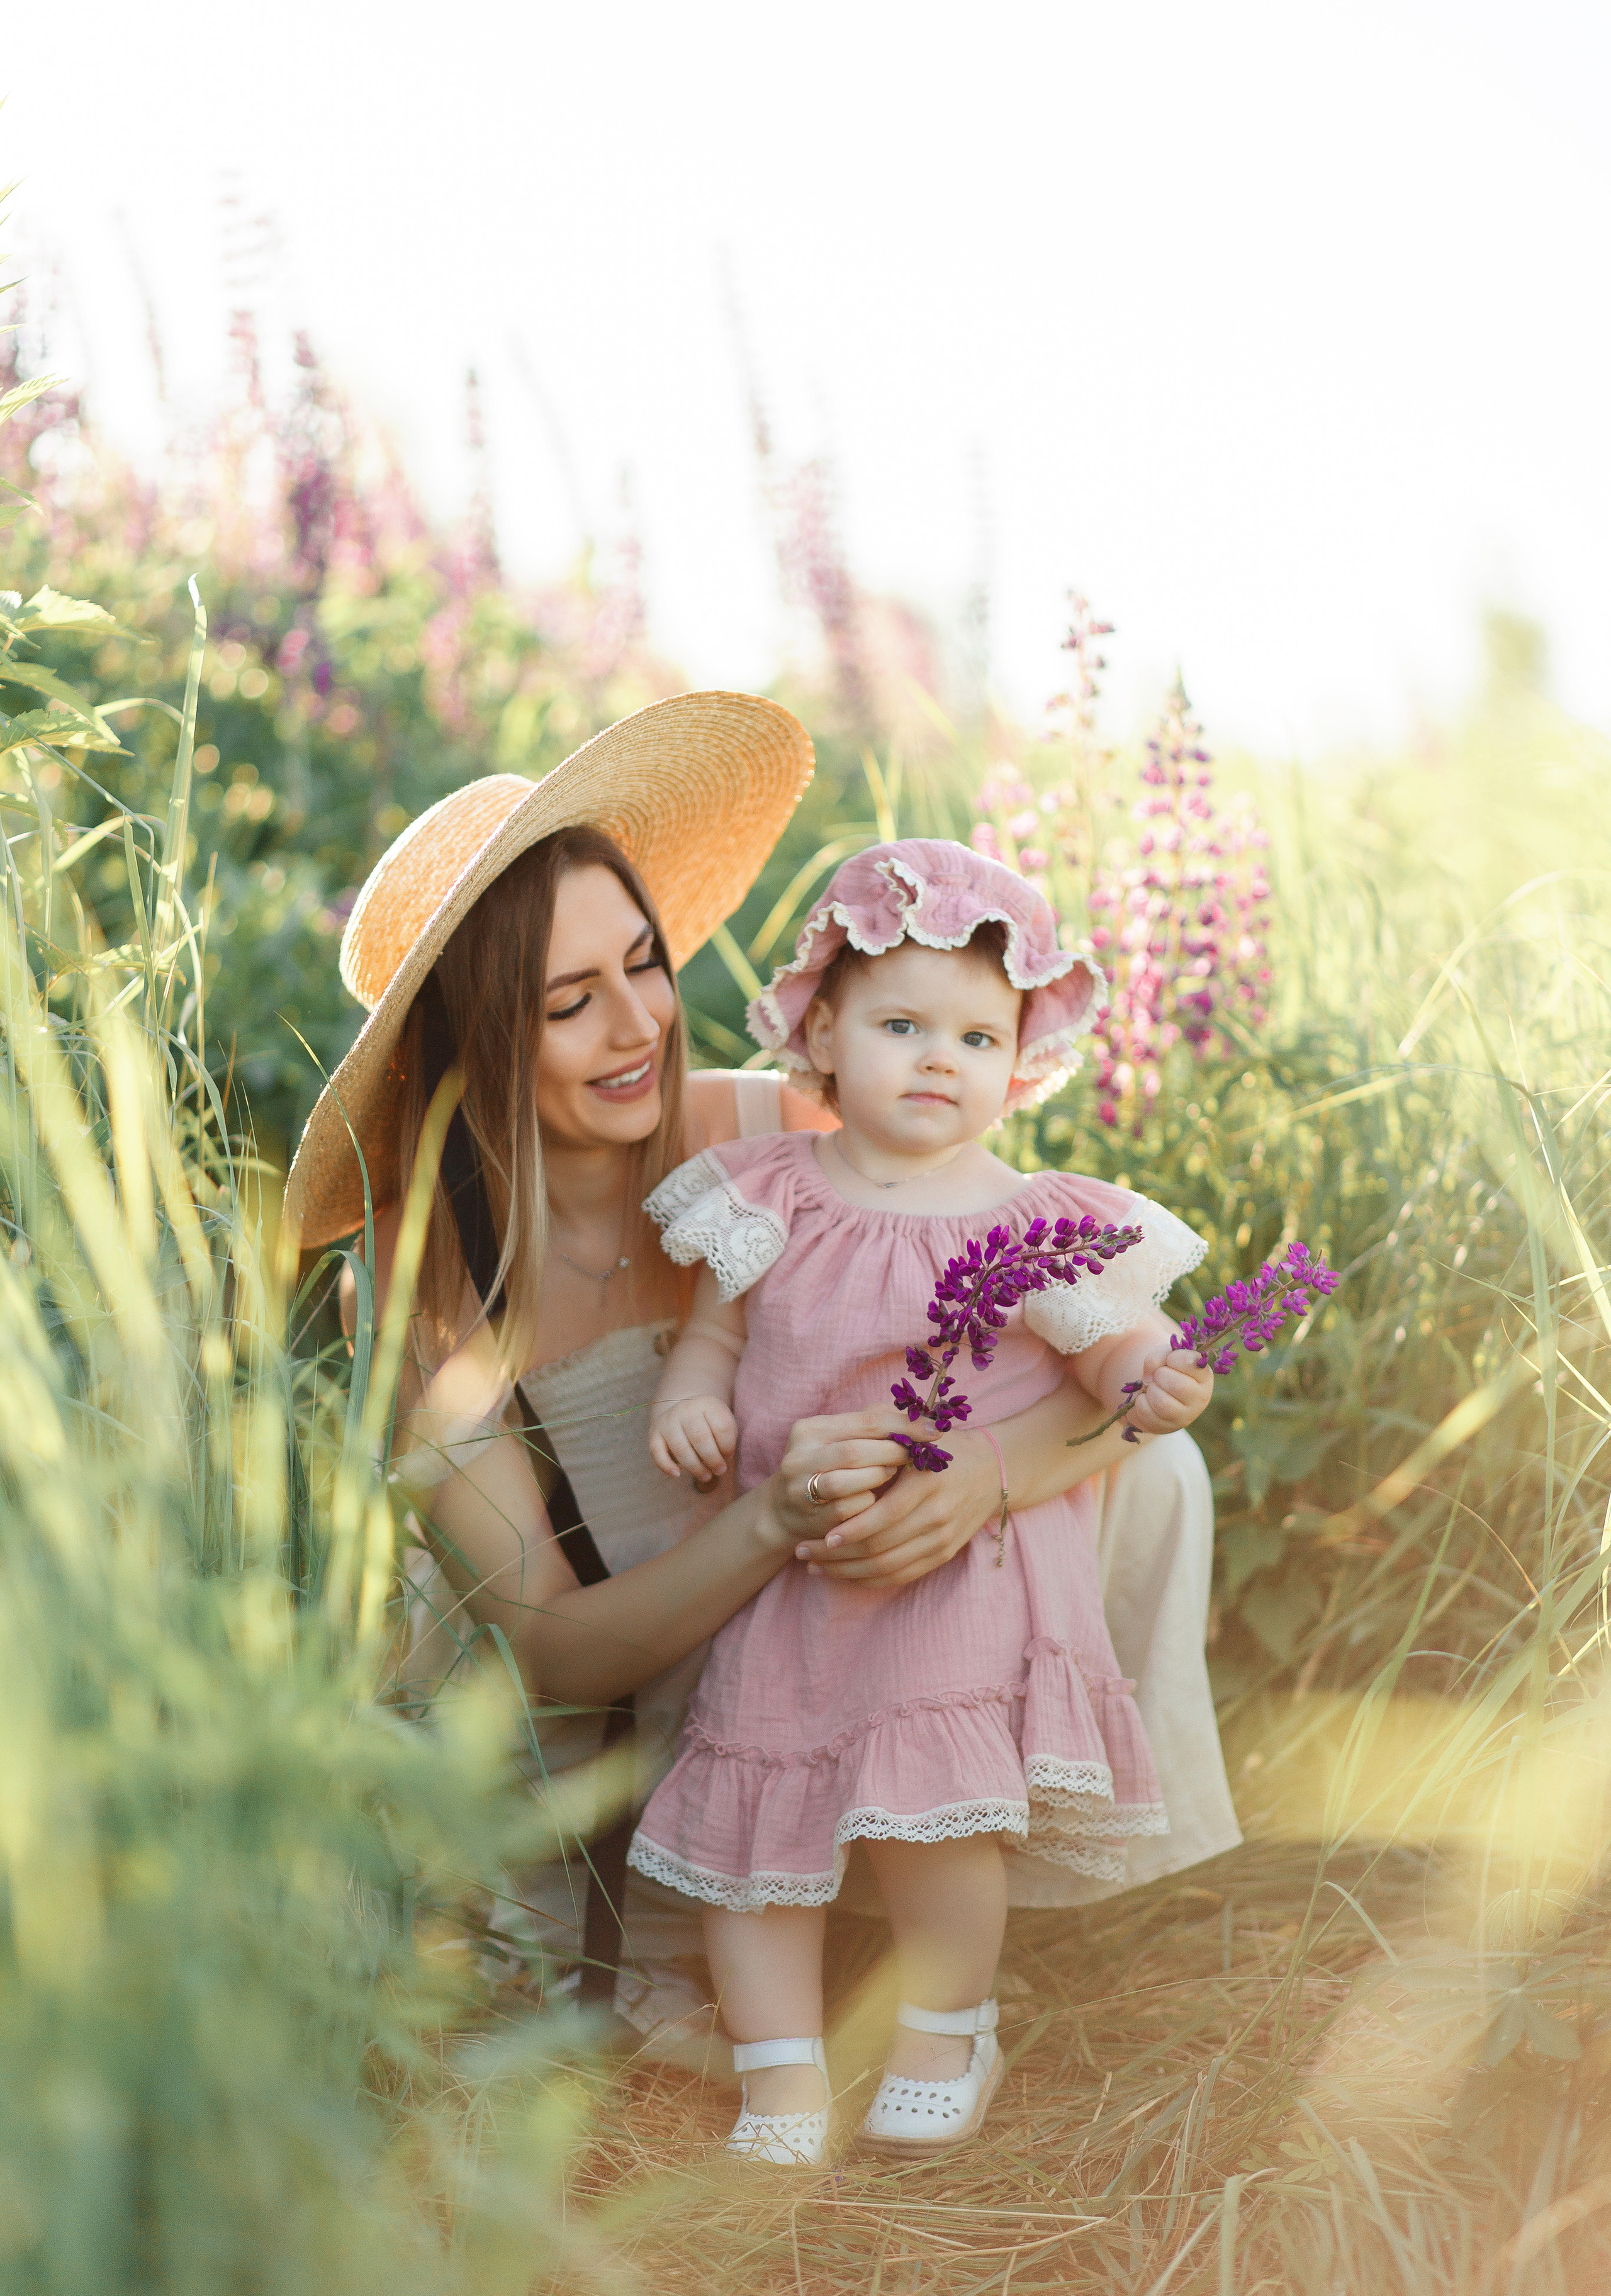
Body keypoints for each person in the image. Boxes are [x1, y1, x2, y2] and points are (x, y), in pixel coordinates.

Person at [283, 704, 1186, 2061]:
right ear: (475, 1035)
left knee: (1161, 1469)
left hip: (862, 1621)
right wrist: (769, 1520)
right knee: (678, 1524)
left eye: (641, 964)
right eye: (568, 1003)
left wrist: (980, 1485)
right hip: (630, 1706)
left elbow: (1035, 1312)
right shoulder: (421, 1290)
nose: (638, 1024)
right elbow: (551, 1649)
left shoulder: (767, 1133)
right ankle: (790, 1903)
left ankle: (1014, 1851)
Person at [631, 839, 1226, 2165]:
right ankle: (778, 2077)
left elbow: (1104, 1343)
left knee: (931, 1830)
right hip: (789, 1574)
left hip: (953, 1583)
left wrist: (1149, 1368)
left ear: (1019, 1058)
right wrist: (690, 1401)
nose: (937, 1060)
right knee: (754, 1834)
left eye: (975, 1034)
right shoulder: (766, 1193)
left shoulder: (1028, 1218)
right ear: (821, 1034)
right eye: (902, 1025)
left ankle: (944, 2028)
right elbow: (715, 1341)